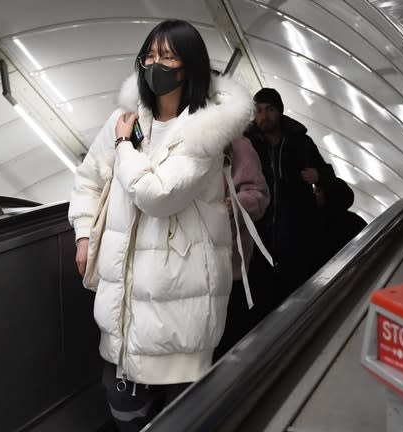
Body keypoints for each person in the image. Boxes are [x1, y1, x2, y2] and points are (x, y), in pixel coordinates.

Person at [68, 19, 253, 432]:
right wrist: (83, 235)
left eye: (167, 57)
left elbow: (158, 195)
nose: (155, 65)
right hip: (122, 304)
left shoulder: (206, 129)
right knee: (123, 404)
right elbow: (89, 178)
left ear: (189, 67)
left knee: (182, 414)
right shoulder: (126, 117)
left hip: (180, 302)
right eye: (149, 55)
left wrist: (123, 146)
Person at [245, 88, 335, 308]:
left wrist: (318, 176)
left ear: (280, 111)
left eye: (270, 109)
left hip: (297, 235)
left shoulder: (300, 143)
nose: (264, 115)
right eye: (259, 111)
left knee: (297, 296)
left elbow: (328, 174)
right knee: (263, 300)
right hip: (260, 237)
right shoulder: (248, 145)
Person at [214, 136, 270, 360]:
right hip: (185, 270)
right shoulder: (175, 139)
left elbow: (259, 194)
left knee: (227, 345)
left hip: (228, 266)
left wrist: (234, 206)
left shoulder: (237, 144)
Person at [316, 177, 367, 265]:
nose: (314, 193)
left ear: (330, 194)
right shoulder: (356, 221)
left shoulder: (319, 222)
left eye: (319, 191)